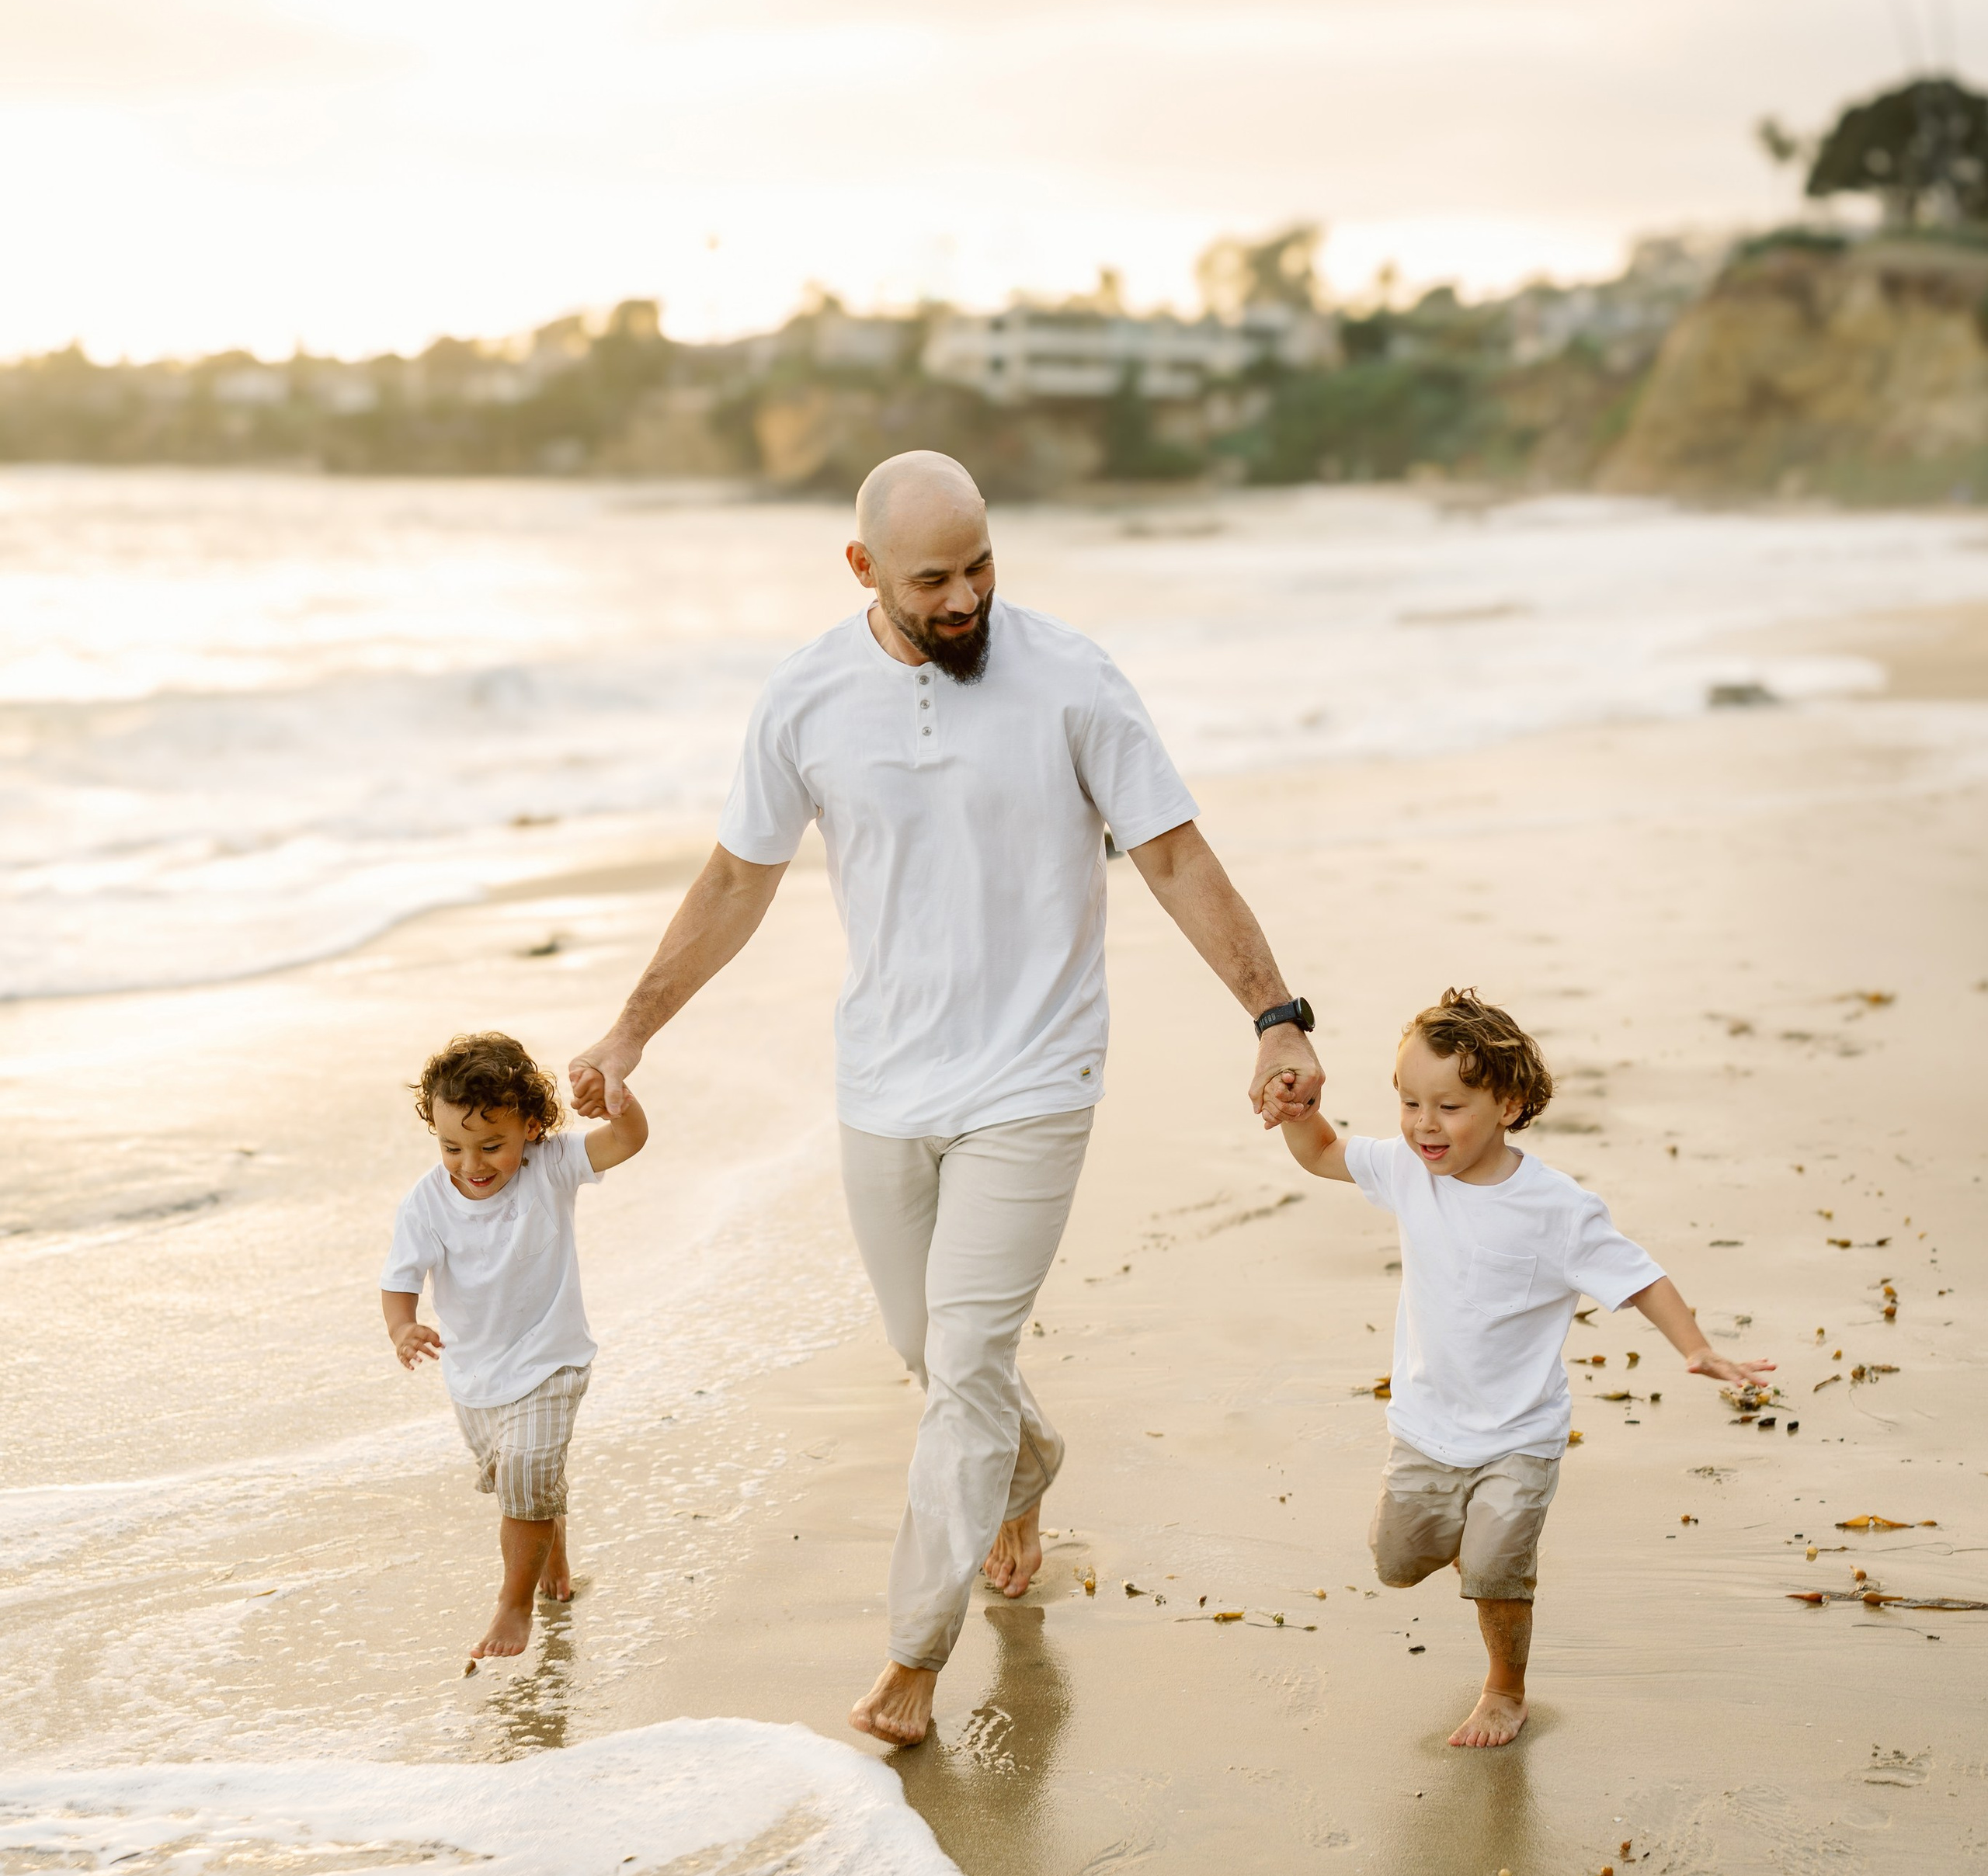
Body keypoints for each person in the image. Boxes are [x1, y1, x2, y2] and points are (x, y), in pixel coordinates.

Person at [570, 448, 1320, 1749]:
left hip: (1036, 1074)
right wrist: (631, 1031)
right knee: (935, 1355)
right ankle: (1022, 1465)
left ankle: (914, 1656)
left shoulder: (1074, 680)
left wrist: (1274, 1015)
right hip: (882, 1079)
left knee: (966, 1359)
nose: (967, 596)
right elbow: (736, 882)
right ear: (863, 570)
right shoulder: (806, 698)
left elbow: (1175, 853)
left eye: (982, 564)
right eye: (934, 578)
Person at [1278, 987, 1774, 1748]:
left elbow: (1639, 1275)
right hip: (1424, 1426)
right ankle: (1458, 1536)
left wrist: (1694, 1346)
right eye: (1409, 1102)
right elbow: (1319, 1152)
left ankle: (1504, 1689)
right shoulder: (1408, 1170)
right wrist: (1297, 1108)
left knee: (1494, 1570)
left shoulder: (1555, 1208)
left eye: (1447, 1106)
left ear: (1507, 1104)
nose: (1422, 1124)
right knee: (1396, 1561)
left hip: (1519, 1435)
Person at [382, 1030, 648, 1664]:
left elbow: (628, 1140)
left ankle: (514, 1602)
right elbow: (399, 1279)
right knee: (518, 1482)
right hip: (475, 1375)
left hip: (552, 1358)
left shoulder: (551, 1166)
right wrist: (402, 1328)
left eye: (491, 1145)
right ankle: (553, 1550)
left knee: (528, 1471)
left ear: (531, 1127)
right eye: (452, 1146)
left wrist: (619, 1101)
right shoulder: (427, 1201)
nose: (471, 1164)